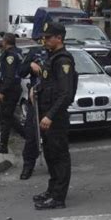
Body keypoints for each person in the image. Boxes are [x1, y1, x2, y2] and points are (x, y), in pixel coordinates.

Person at [33, 22, 77, 210]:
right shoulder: (51, 58)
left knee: (59, 156)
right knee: (50, 155)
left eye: (49, 37)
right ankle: (52, 190)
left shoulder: (63, 60)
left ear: (59, 38)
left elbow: (65, 94)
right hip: (46, 114)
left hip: (55, 117)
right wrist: (35, 90)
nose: (45, 39)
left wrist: (50, 116)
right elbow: (47, 83)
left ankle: (59, 197)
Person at [0, 33, 25, 154]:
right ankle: (28, 136)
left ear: (6, 42)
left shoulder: (11, 55)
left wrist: (2, 92)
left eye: (3, 41)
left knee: (6, 117)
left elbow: (9, 76)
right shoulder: (16, 52)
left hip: (10, 90)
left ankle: (4, 144)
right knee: (8, 116)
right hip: (13, 88)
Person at [17, 43, 48, 179]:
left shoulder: (60, 55)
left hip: (51, 100)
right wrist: (30, 65)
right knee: (31, 135)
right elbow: (20, 71)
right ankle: (28, 166)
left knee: (53, 137)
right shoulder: (35, 52)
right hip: (35, 100)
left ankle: (55, 166)